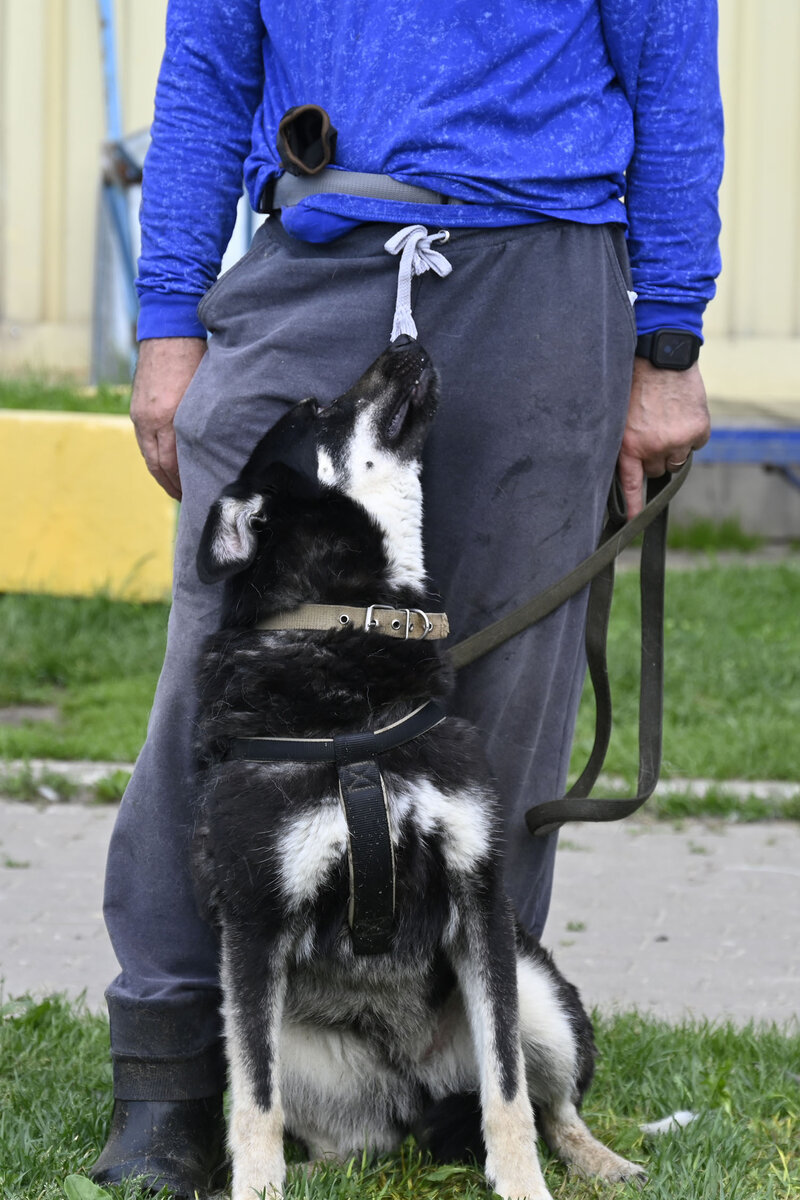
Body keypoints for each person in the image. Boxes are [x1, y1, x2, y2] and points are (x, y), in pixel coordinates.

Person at [90, 1, 723, 1193]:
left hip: (542, 271)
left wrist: (668, 340)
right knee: (223, 667)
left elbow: (672, 75)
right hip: (314, 256)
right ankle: (169, 1068)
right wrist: (169, 321)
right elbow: (207, 73)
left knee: (507, 687)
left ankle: (467, 1067)